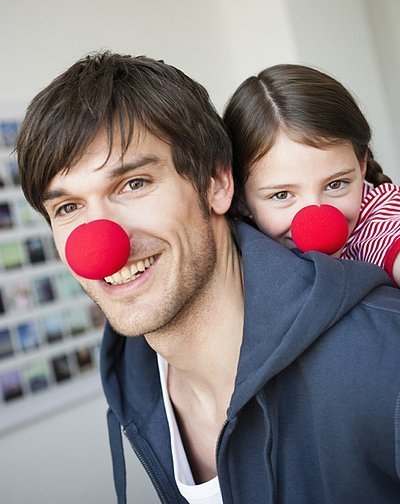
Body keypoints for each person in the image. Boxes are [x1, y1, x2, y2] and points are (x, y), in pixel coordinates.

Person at [16, 52, 400, 504]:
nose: (100, 245)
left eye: (134, 183)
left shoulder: (383, 353)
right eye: (68, 207)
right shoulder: (135, 381)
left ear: (218, 182)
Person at [223, 63, 400, 287]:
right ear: (240, 197)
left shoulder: (379, 218)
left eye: (336, 184)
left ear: (361, 164)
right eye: (282, 195)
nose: (317, 218)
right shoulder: (237, 248)